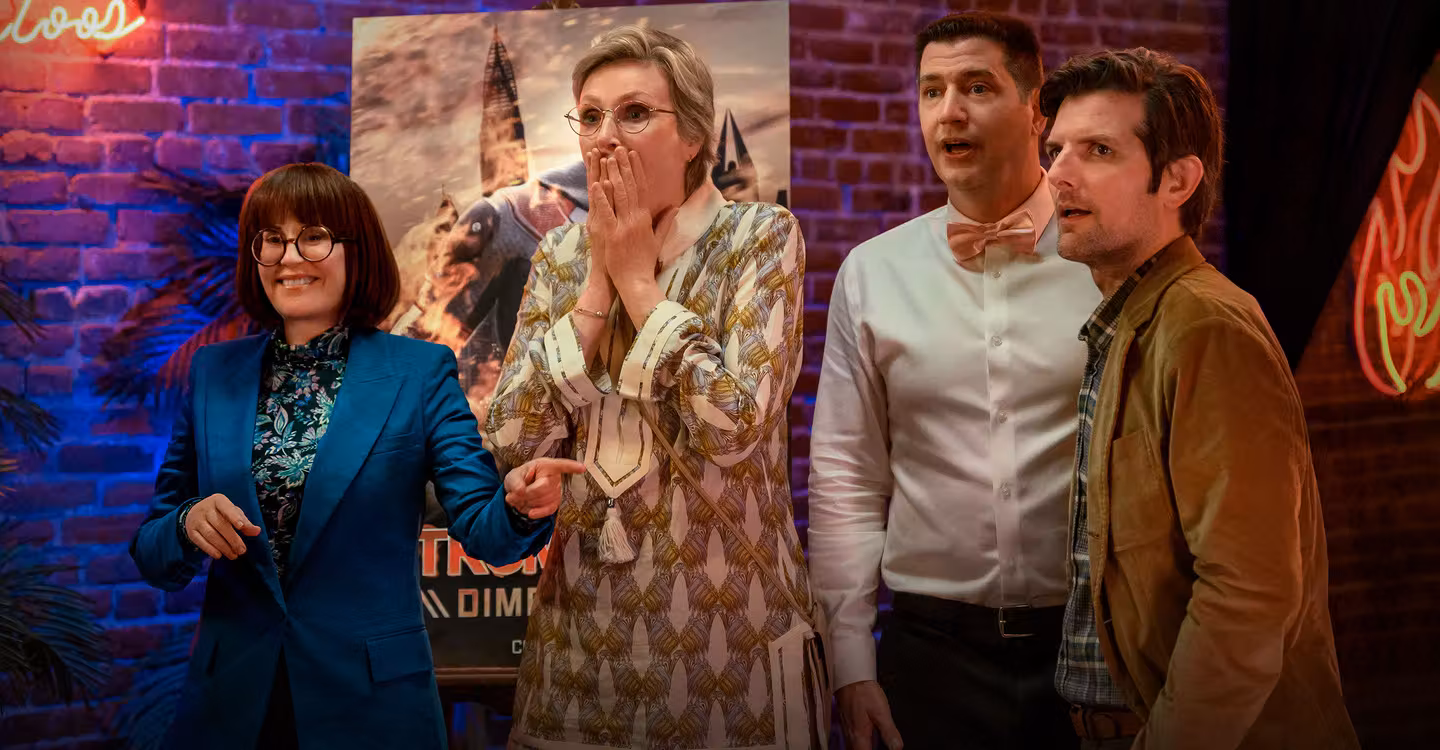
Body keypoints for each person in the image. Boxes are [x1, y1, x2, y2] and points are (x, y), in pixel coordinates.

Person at [129, 162, 584, 750]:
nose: (289, 257)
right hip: (230, 706)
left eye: (314, 237)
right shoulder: (215, 373)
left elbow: (484, 531)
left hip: (371, 705)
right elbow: (153, 551)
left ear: (356, 250)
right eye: (272, 239)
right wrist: (186, 523)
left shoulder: (419, 371)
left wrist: (521, 506)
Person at [484, 25, 814, 750]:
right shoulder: (559, 253)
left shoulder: (759, 236)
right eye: (590, 116)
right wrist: (597, 288)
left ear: (693, 135)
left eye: (634, 113)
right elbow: (508, 438)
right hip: (578, 642)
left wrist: (638, 281)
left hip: (731, 641)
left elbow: (734, 428)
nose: (605, 136)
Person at [1039, 49, 1360, 749]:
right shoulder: (1133, 319)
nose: (1058, 173)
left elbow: (1247, 593)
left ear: (1178, 179)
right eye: (1055, 150)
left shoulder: (1205, 326)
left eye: (1098, 150)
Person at [808, 11, 1100, 750]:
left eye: (977, 87)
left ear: (1036, 110)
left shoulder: (1105, 261)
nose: (950, 112)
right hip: (929, 654)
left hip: (1092, 645)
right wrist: (850, 661)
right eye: (932, 91)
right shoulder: (873, 273)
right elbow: (846, 473)